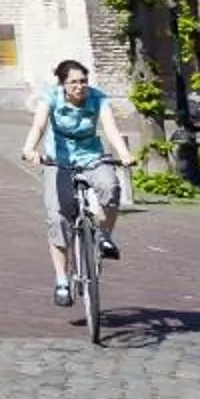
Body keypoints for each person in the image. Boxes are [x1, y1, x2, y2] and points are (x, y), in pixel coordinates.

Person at [19, 59, 138, 309]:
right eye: (73, 82)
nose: (80, 86)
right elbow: (39, 124)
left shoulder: (98, 99)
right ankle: (62, 280)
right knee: (58, 217)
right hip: (58, 161)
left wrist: (123, 153)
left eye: (83, 81)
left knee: (110, 187)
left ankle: (104, 237)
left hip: (92, 157)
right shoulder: (50, 97)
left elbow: (110, 128)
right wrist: (30, 148)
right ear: (62, 84)